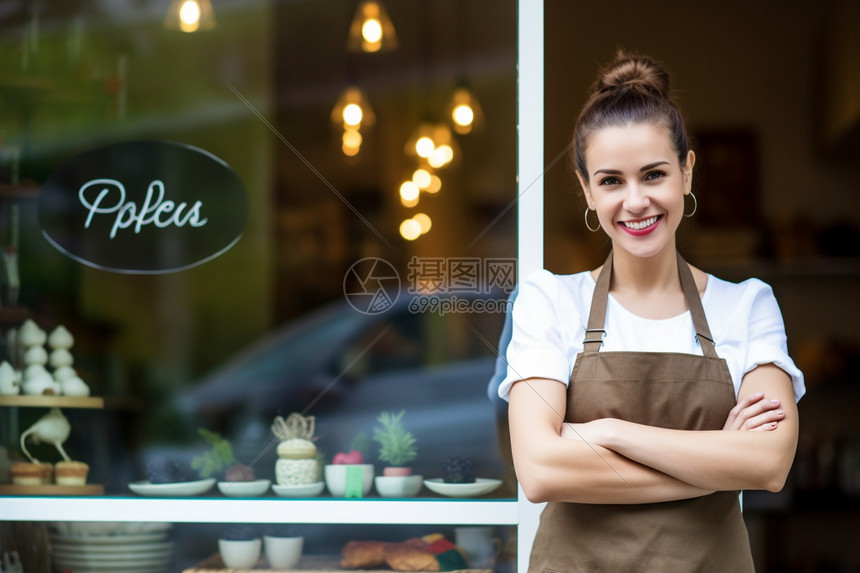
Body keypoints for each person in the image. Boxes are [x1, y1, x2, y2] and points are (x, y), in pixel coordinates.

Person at [499, 52, 805, 571]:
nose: (635, 201)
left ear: (687, 172)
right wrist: (717, 461)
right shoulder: (550, 301)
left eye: (654, 174)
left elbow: (770, 464)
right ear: (586, 191)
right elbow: (540, 472)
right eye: (612, 180)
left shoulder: (747, 305)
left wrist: (607, 432)